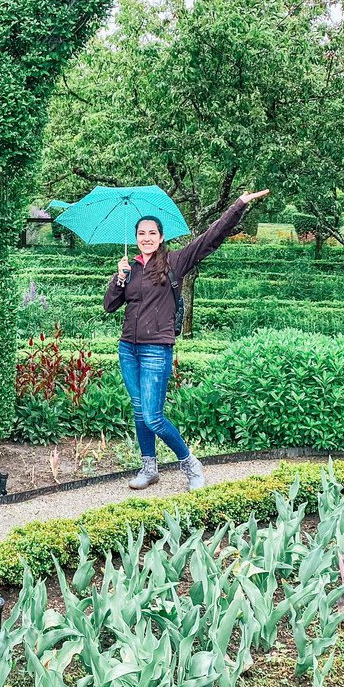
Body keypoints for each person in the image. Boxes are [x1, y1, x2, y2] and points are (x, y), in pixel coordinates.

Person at [104, 190, 270, 491]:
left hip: (157, 349)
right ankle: (149, 467)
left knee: (153, 417)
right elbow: (110, 305)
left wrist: (239, 205)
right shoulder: (129, 268)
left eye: (151, 233)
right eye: (141, 233)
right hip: (128, 348)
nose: (146, 237)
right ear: (136, 237)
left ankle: (190, 463)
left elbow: (210, 238)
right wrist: (119, 277)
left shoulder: (174, 262)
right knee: (139, 410)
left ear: (161, 236)